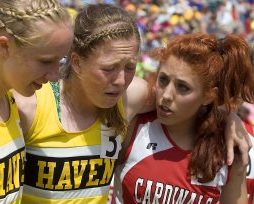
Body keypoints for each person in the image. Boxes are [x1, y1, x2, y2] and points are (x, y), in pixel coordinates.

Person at [13, 4, 252, 204]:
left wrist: (228, 118)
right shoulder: (31, 104)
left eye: (130, 67)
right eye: (108, 69)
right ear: (76, 62)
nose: (120, 81)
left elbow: (193, 96)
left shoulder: (128, 98)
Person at [0, 0, 73, 203]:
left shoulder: (9, 98)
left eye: (60, 61)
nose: (54, 76)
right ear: (5, 46)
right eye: (45, 61)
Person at [114, 33, 254, 203]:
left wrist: (229, 118)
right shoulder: (135, 123)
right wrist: (229, 116)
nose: (166, 95)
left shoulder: (228, 147)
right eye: (163, 79)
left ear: (209, 96)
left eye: (183, 87)